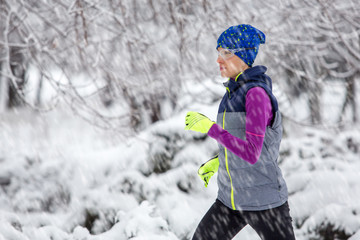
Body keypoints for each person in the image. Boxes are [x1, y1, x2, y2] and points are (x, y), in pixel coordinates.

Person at [185, 24, 296, 240]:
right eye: (218, 53)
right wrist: (220, 161)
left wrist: (210, 128)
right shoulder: (232, 93)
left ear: (243, 57)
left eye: (226, 53)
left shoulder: (256, 95)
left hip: (265, 203)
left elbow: (253, 152)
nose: (219, 60)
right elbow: (238, 141)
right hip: (231, 200)